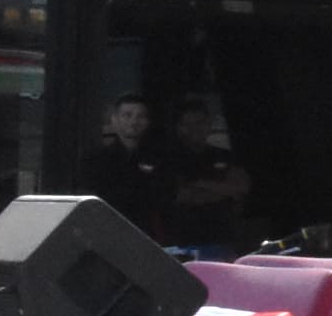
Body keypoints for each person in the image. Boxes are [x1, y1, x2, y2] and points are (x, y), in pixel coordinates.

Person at [163, 98, 250, 254]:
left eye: (200, 122)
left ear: (209, 124)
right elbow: (180, 196)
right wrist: (221, 190)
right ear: (179, 127)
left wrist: (199, 184)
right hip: (185, 241)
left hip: (224, 237)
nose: (195, 128)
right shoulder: (170, 159)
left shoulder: (224, 155)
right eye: (188, 124)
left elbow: (240, 188)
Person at [77, 94, 169, 240]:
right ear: (114, 120)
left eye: (141, 116)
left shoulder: (158, 158)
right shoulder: (95, 159)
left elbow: (164, 196)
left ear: (148, 122)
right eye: (127, 115)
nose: (134, 122)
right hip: (105, 233)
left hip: (147, 235)